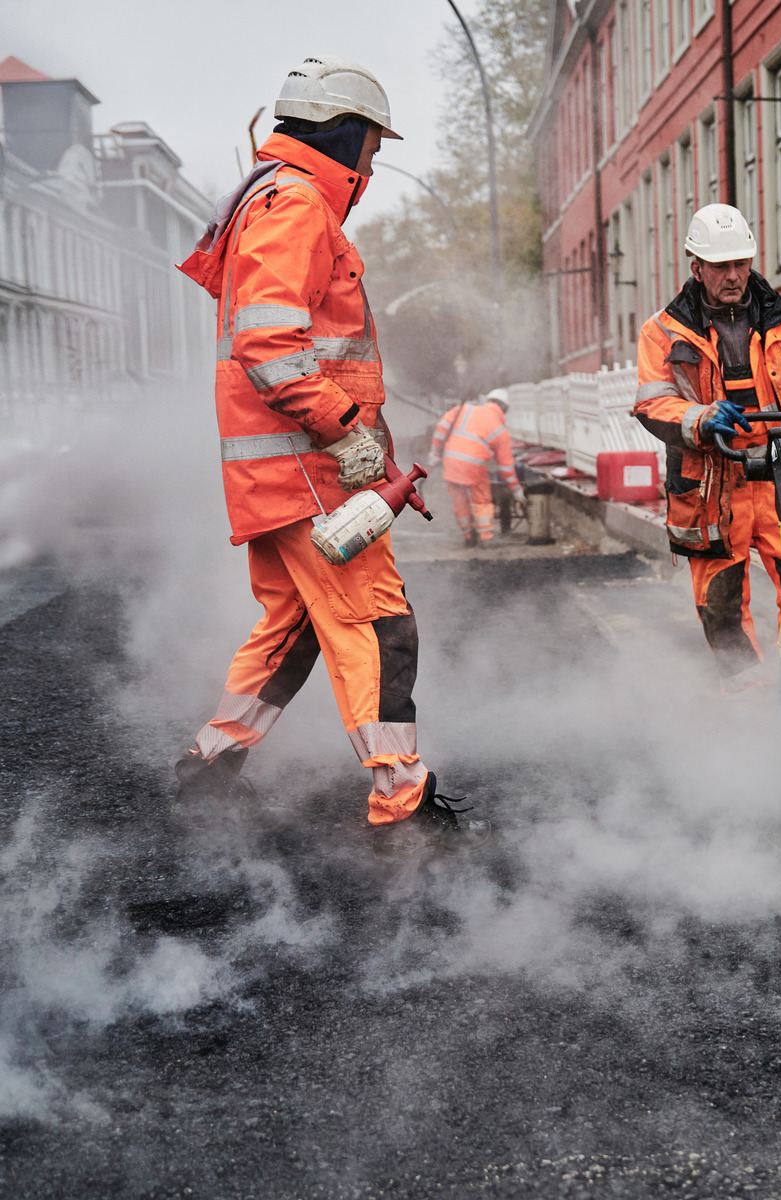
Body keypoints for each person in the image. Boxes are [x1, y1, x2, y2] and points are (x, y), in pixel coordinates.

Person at [173, 56, 474, 831]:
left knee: (295, 626)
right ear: (345, 134)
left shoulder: (268, 201)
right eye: (373, 143)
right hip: (309, 473)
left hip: (283, 477)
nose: (374, 159)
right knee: (379, 625)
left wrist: (361, 438)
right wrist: (348, 437)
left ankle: (212, 760)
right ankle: (402, 803)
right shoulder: (297, 205)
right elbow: (271, 344)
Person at [632, 204, 781, 691]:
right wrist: (703, 418)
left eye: (740, 264)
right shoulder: (663, 331)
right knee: (721, 604)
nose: (733, 276)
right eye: (720, 266)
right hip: (715, 478)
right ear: (697, 268)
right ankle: (750, 707)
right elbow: (653, 402)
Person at [429, 388, 525, 548]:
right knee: (481, 500)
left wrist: (435, 451)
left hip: (451, 463)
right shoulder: (500, 430)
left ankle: (468, 535)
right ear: (505, 409)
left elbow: (442, 426)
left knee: (459, 499)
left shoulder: (464, 410)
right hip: (474, 466)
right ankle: (486, 536)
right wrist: (516, 489)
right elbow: (506, 467)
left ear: (488, 401)